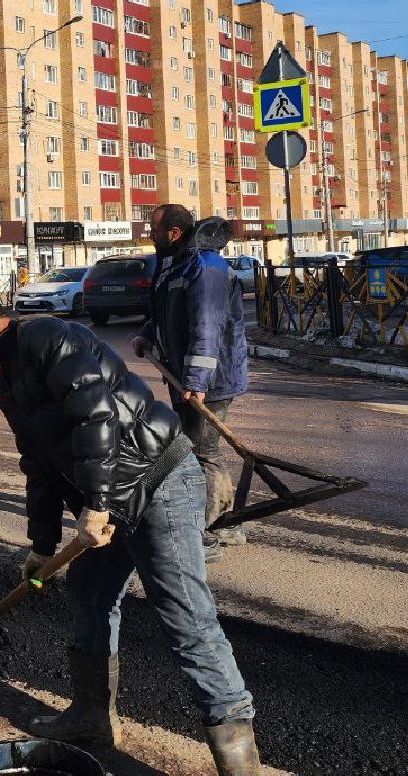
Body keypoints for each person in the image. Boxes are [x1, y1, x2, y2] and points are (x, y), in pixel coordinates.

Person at [0, 289, 260, 775]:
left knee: (187, 620)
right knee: (90, 599)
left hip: (158, 482)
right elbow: (40, 467)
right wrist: (41, 547)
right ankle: (92, 716)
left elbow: (96, 414)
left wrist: (94, 505)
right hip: (111, 501)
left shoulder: (50, 338)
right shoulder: (12, 385)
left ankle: (239, 759)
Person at [132, 204, 249, 561]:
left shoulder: (206, 268)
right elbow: (168, 312)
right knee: (198, 448)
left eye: (153, 228)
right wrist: (148, 334)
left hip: (211, 379)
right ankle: (223, 521)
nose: (149, 233)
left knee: (202, 450)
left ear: (174, 232)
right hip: (187, 377)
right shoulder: (178, 264)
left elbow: (207, 327)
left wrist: (198, 380)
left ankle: (214, 527)